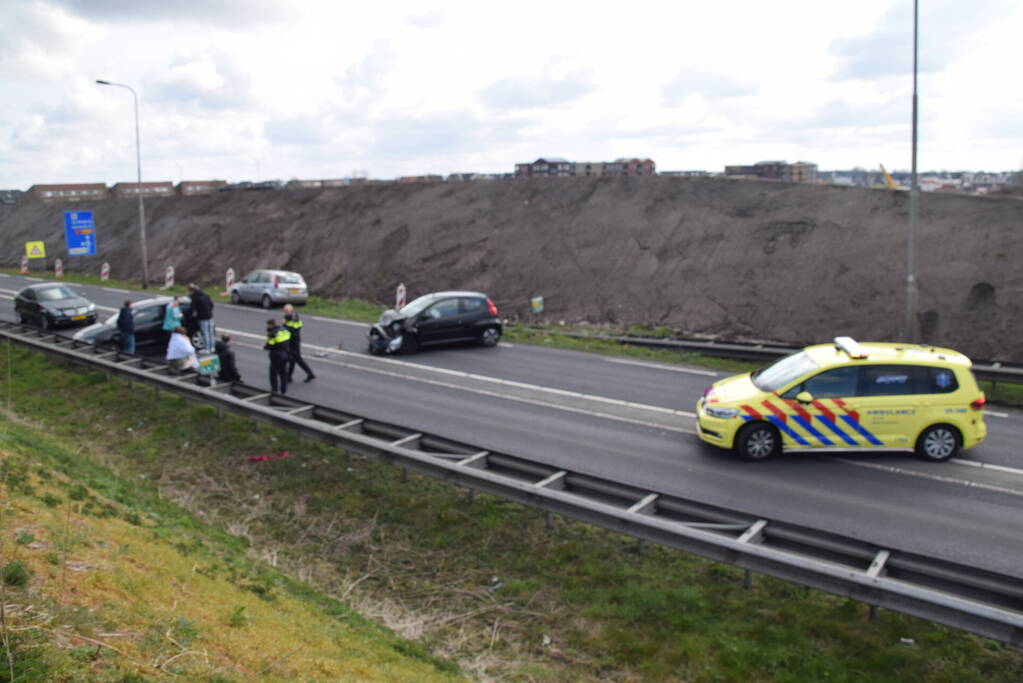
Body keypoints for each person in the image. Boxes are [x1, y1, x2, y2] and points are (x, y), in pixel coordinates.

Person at [283, 303, 315, 383]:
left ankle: (310, 374)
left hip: (293, 342)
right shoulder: (295, 316)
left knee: (298, 359)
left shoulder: (290, 320)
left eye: (285, 311)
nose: (284, 313)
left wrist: (285, 325)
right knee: (292, 360)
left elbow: (292, 330)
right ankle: (289, 377)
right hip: (294, 341)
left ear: (288, 311)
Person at [263, 318, 291, 394]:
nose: (267, 327)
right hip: (285, 354)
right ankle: (283, 390)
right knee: (283, 373)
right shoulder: (284, 330)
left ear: (271, 325)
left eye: (267, 325)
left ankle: (274, 390)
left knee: (273, 374)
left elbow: (269, 345)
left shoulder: (272, 333)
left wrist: (265, 347)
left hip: (276, 356)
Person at [187, 283, 215, 351]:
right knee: (210, 332)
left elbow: (191, 309)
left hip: (202, 317)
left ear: (191, 291)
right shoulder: (205, 295)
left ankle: (206, 349)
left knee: (205, 333)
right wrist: (208, 311)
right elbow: (211, 305)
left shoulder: (195, 298)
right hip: (210, 316)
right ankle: (212, 347)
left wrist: (188, 316)